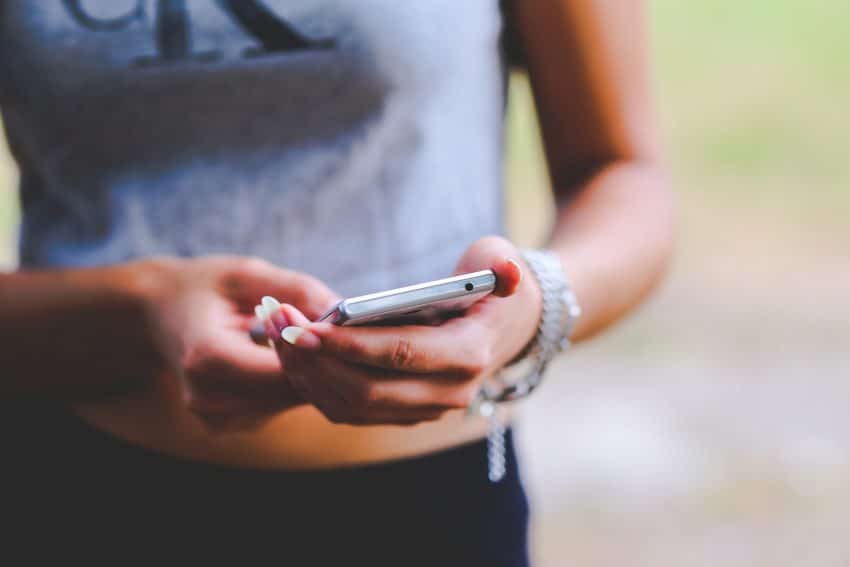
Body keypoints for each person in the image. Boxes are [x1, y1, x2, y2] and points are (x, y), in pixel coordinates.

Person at [0, 1, 672, 565]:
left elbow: (621, 173)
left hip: (432, 513)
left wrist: (537, 303)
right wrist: (142, 307)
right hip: (81, 489)